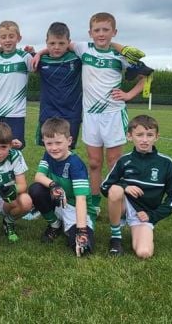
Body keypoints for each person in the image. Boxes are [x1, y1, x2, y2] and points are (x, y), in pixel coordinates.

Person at [70, 12, 148, 216]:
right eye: (97, 30)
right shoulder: (82, 48)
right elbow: (59, 44)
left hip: (113, 114)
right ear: (90, 32)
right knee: (94, 162)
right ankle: (94, 203)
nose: (101, 34)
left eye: (106, 30)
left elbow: (145, 76)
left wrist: (129, 94)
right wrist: (38, 53)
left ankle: (119, 202)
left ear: (114, 32)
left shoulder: (121, 56)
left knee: (114, 162)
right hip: (90, 116)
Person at [101, 115, 172, 258]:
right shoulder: (124, 160)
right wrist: (124, 186)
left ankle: (138, 228)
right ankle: (116, 236)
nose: (144, 139)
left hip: (144, 213)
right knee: (115, 189)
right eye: (139, 135)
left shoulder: (166, 163)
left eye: (149, 135)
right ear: (130, 136)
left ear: (156, 137)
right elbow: (105, 186)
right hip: (124, 205)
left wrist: (153, 216)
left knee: (144, 253)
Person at [27, 117, 94, 257]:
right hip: (58, 201)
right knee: (36, 189)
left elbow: (81, 199)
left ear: (69, 141)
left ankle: (72, 226)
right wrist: (54, 185)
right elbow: (39, 176)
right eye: (49, 143)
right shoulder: (48, 155)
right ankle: (55, 224)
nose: (54, 148)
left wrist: (81, 230)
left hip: (76, 207)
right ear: (44, 142)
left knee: (82, 248)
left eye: (58, 142)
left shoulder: (76, 164)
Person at [0, 21, 32, 149]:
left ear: (19, 38)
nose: (7, 40)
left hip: (16, 113)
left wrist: (34, 51)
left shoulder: (25, 57)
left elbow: (38, 68)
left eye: (11, 36)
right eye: (3, 37)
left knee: (15, 148)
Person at [33, 22, 82, 149]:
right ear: (46, 42)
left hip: (71, 114)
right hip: (48, 112)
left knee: (68, 150)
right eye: (52, 43)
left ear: (68, 42)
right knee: (50, 149)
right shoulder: (40, 60)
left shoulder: (77, 59)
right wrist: (37, 53)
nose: (56, 47)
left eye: (61, 43)